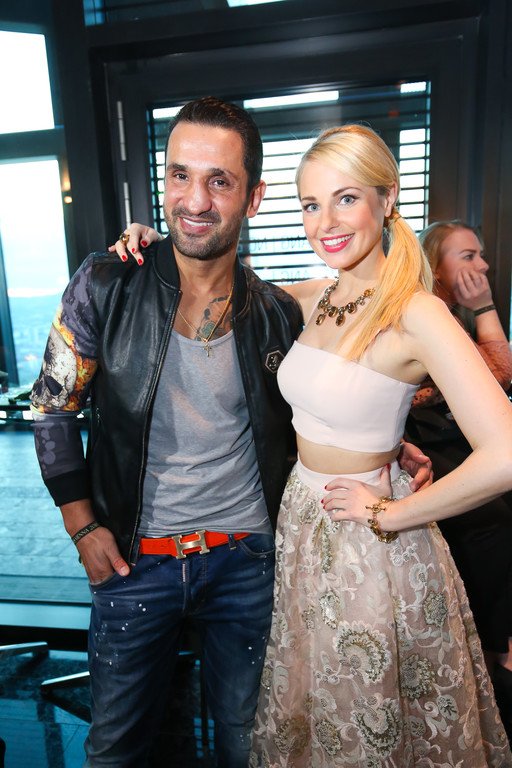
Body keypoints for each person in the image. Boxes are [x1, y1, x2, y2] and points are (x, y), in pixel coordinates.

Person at [30, 97, 430, 768]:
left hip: (249, 564)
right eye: (180, 175)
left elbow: (324, 391)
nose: (195, 200)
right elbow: (52, 407)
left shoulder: (277, 312)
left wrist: (388, 445)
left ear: (253, 198)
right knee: (114, 749)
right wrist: (82, 527)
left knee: (251, 746)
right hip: (133, 560)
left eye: (219, 181)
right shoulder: (106, 285)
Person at [406, 220, 512, 743]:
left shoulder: (448, 316)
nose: (482, 266)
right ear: (435, 265)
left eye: (481, 254)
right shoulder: (421, 315)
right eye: (468, 255)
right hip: (427, 462)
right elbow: (497, 375)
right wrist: (487, 307)